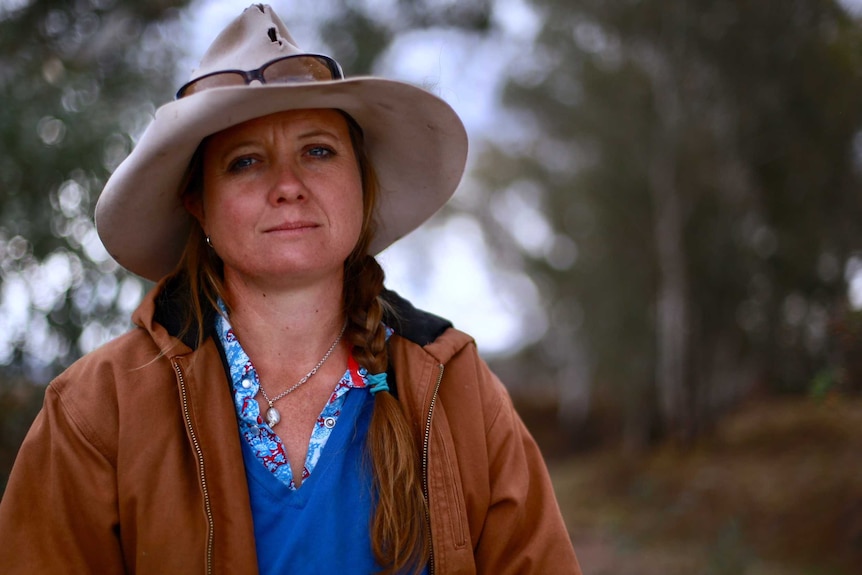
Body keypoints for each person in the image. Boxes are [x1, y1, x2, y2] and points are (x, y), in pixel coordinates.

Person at [0, 4, 581, 574]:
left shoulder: (455, 386)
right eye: (246, 162)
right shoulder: (99, 408)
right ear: (198, 204)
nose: (287, 186)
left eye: (318, 151)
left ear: (362, 183)